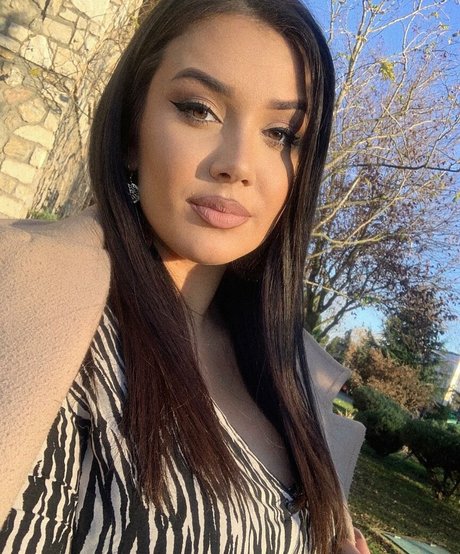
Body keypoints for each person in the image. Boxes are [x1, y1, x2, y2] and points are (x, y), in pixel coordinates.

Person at [0, 0, 369, 552]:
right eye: (199, 109)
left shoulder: (288, 375)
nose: (237, 164)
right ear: (132, 130)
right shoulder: (41, 324)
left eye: (280, 134)